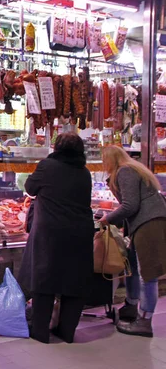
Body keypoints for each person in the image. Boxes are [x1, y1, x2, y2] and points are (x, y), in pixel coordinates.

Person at [18, 133, 94, 344]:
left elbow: (30, 188)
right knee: (74, 281)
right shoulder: (84, 172)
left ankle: (40, 332)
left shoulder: (47, 166)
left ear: (57, 148)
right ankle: (67, 332)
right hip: (80, 231)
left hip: (51, 232)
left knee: (45, 280)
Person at [99, 146, 166, 338]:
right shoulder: (131, 168)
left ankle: (145, 321)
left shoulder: (125, 171)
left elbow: (130, 205)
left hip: (149, 223)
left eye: (105, 160)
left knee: (148, 275)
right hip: (145, 223)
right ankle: (131, 307)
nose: (104, 165)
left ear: (111, 159)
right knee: (133, 270)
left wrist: (108, 219)